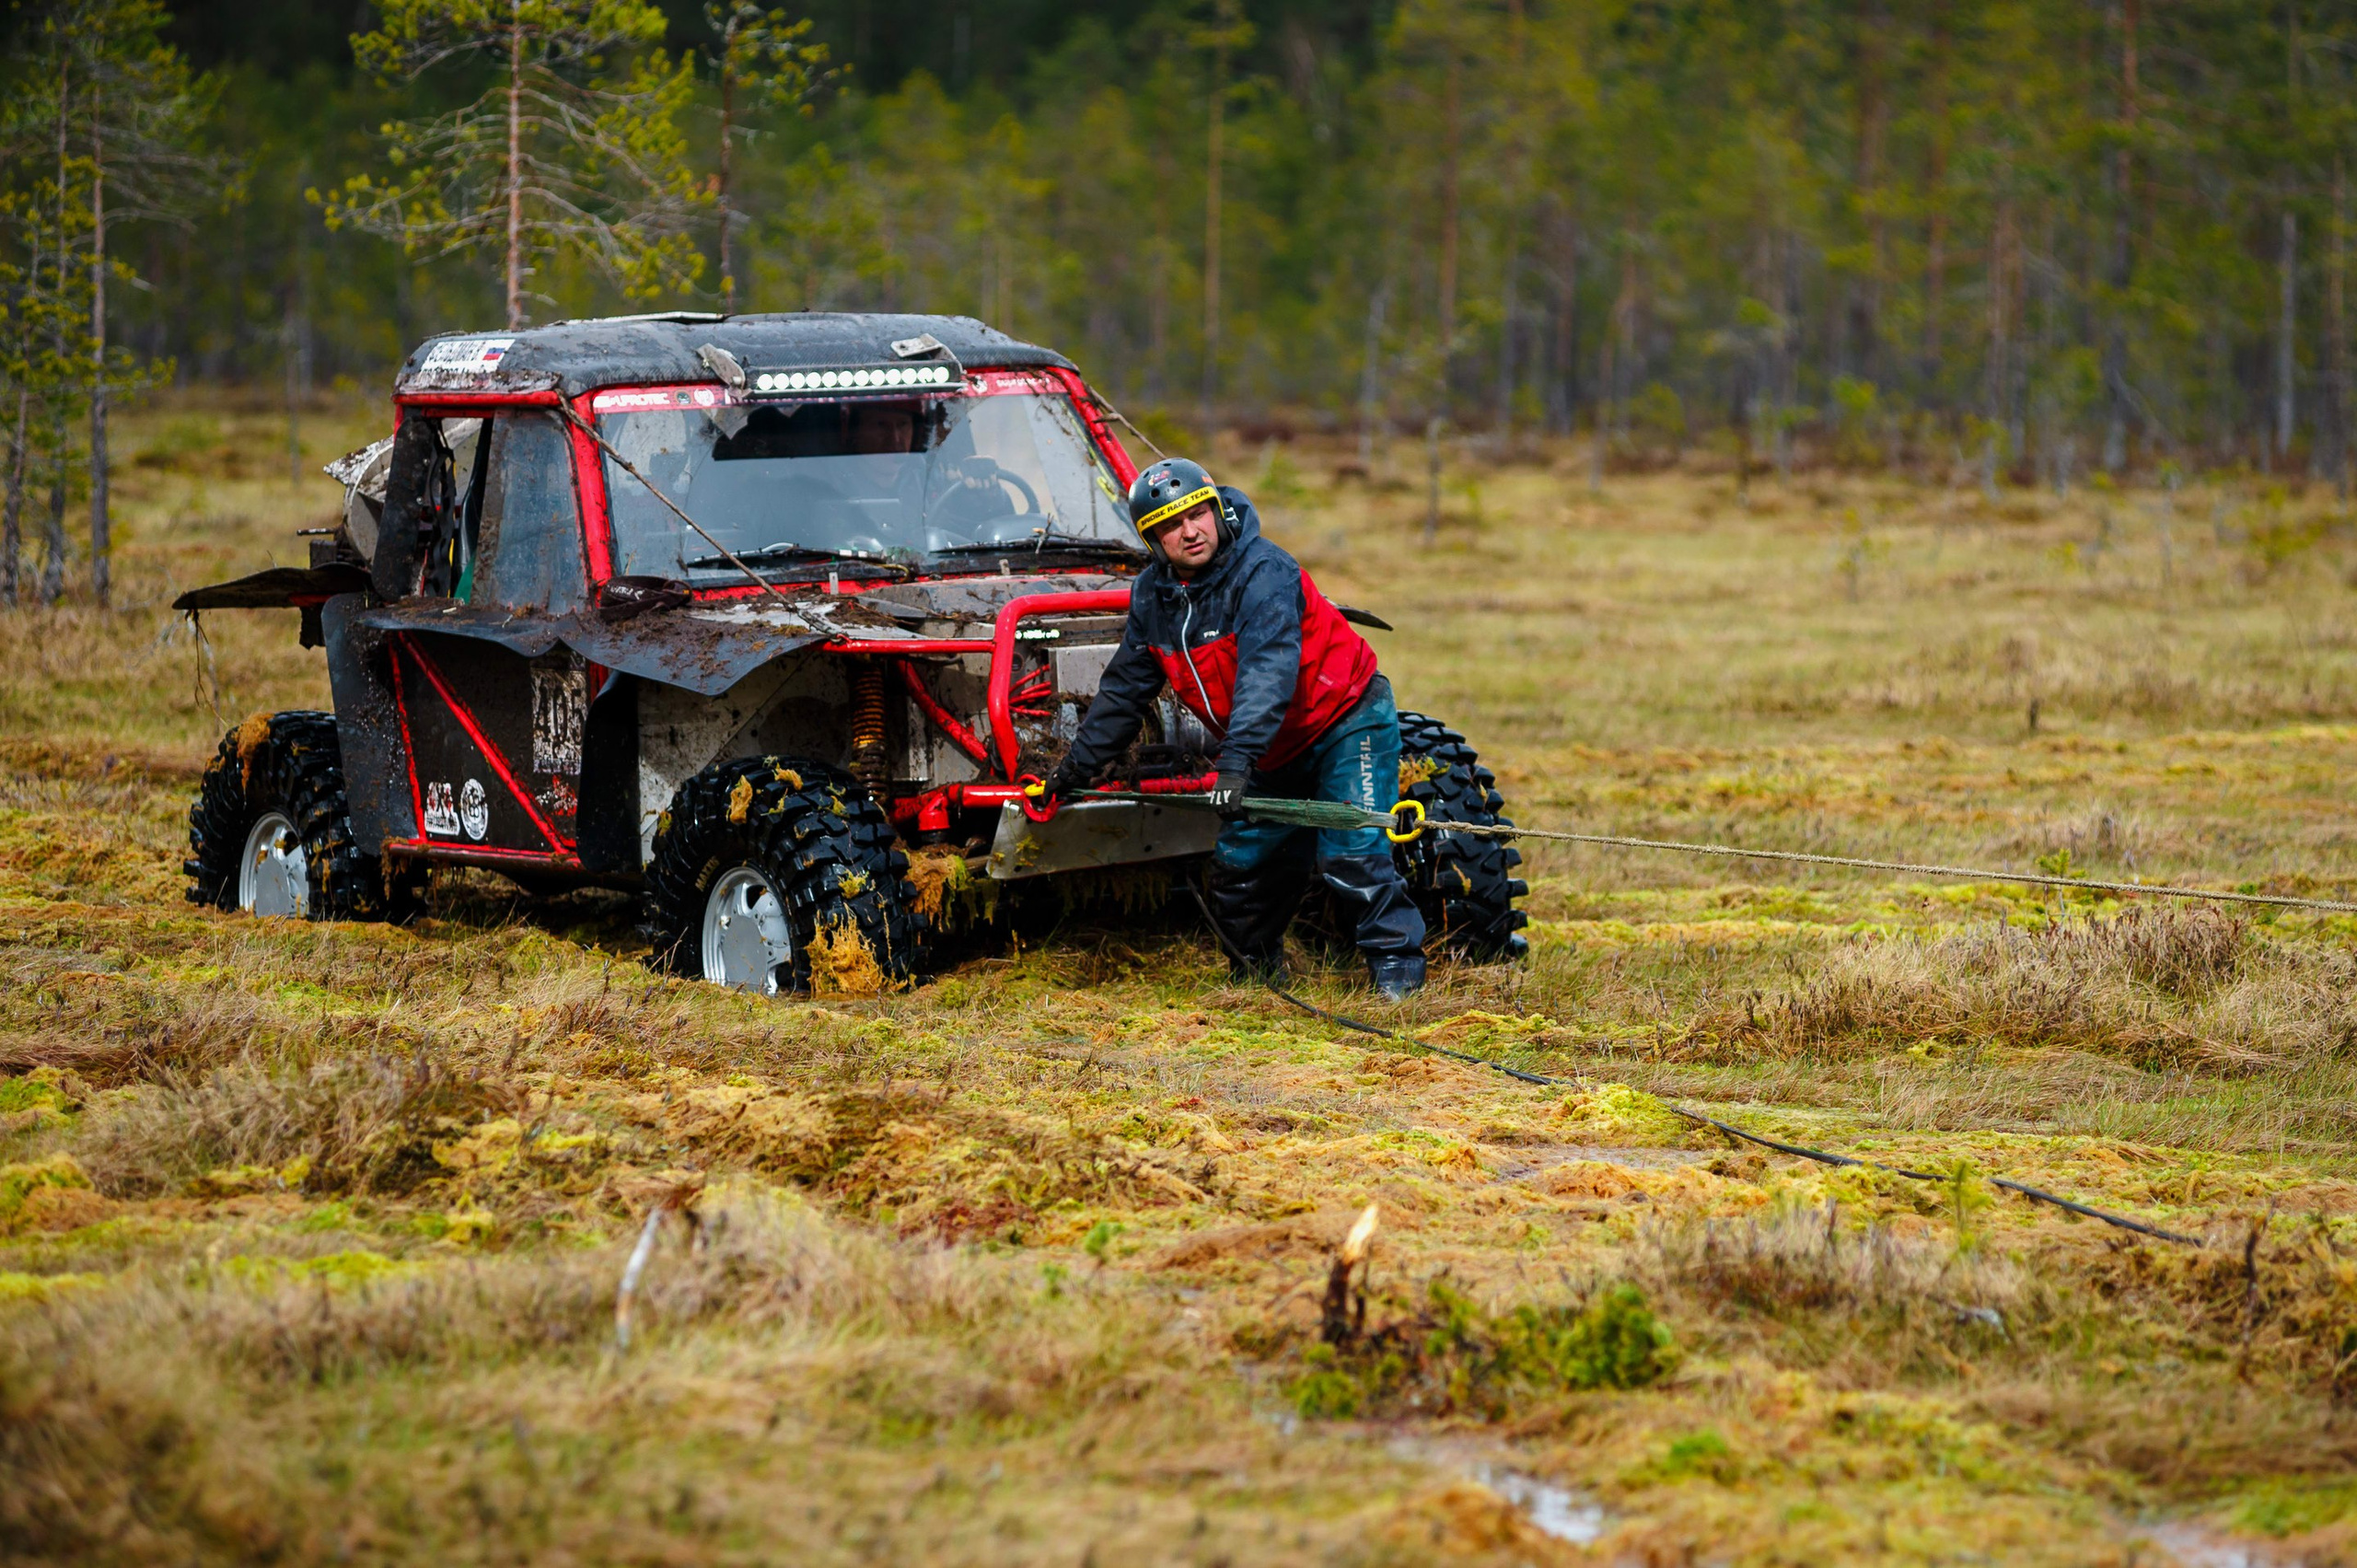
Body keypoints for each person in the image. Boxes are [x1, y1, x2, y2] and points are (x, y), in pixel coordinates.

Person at [1045, 457, 1428, 1000]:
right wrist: (1074, 770)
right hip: (1270, 747)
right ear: (1153, 540)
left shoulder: (1265, 571)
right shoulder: (1151, 599)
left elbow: (1267, 672)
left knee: (1353, 854)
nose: (1190, 532)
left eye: (1196, 515)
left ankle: (1399, 981)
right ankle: (1257, 982)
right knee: (1239, 870)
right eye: (1171, 526)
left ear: (1217, 510)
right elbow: (1123, 692)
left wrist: (1235, 761)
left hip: (1345, 719)